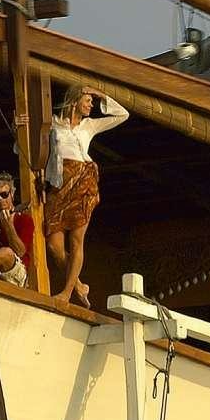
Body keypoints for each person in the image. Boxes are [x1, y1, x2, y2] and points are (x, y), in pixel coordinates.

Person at [42, 85, 127, 308]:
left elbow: (122, 115)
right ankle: (79, 284)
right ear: (75, 101)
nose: (91, 105)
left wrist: (100, 93)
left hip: (85, 180)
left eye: (92, 101)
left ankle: (67, 292)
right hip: (60, 182)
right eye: (88, 100)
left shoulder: (89, 125)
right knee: (54, 245)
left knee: (77, 240)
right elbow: (30, 144)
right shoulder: (53, 124)